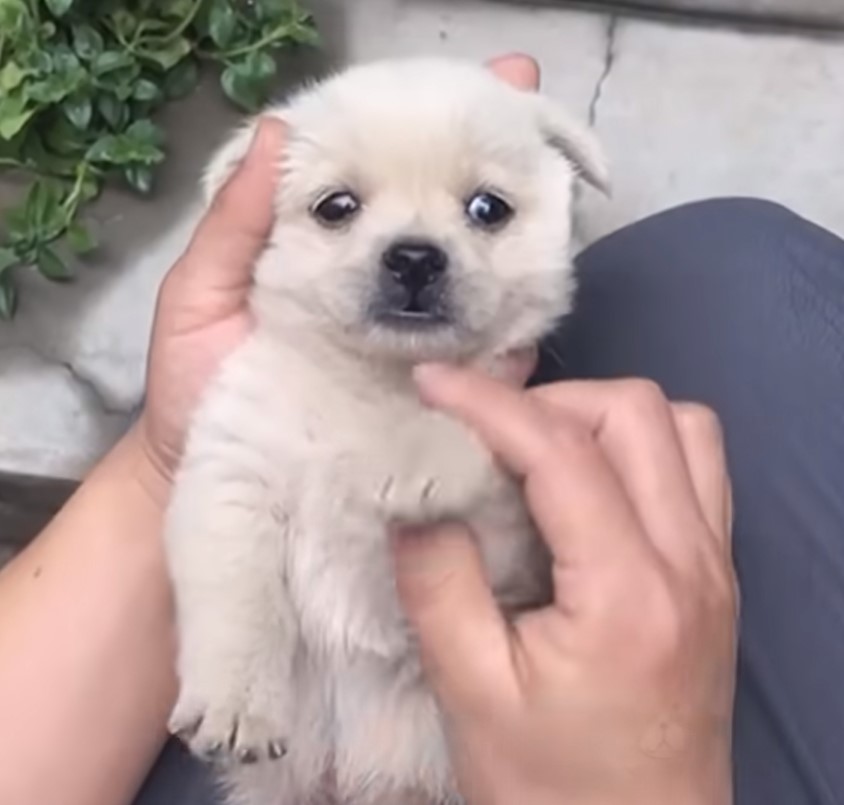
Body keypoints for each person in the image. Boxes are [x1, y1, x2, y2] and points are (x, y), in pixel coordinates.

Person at [0, 51, 840, 805]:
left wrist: (159, 464)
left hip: (462, 756)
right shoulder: (258, 387)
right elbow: (228, 500)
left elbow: (517, 571)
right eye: (337, 206)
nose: (412, 250)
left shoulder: (523, 418)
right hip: (311, 765)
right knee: (750, 269)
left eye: (484, 207)